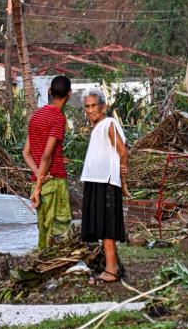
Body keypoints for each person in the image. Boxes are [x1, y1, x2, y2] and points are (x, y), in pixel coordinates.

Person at [79, 88, 130, 284]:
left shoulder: (109, 123)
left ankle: (110, 271)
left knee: (107, 227)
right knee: (102, 225)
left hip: (107, 182)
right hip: (96, 180)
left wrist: (123, 181)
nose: (90, 110)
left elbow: (123, 153)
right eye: (87, 106)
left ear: (103, 107)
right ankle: (113, 267)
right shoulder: (98, 127)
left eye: (94, 106)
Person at [22, 76, 73, 249]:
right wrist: (38, 186)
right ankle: (59, 271)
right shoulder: (58, 119)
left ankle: (43, 269)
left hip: (40, 181)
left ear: (50, 92)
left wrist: (38, 177)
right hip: (54, 181)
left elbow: (26, 153)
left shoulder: (36, 116)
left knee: (44, 233)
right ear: (69, 94)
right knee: (60, 233)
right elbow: (47, 156)